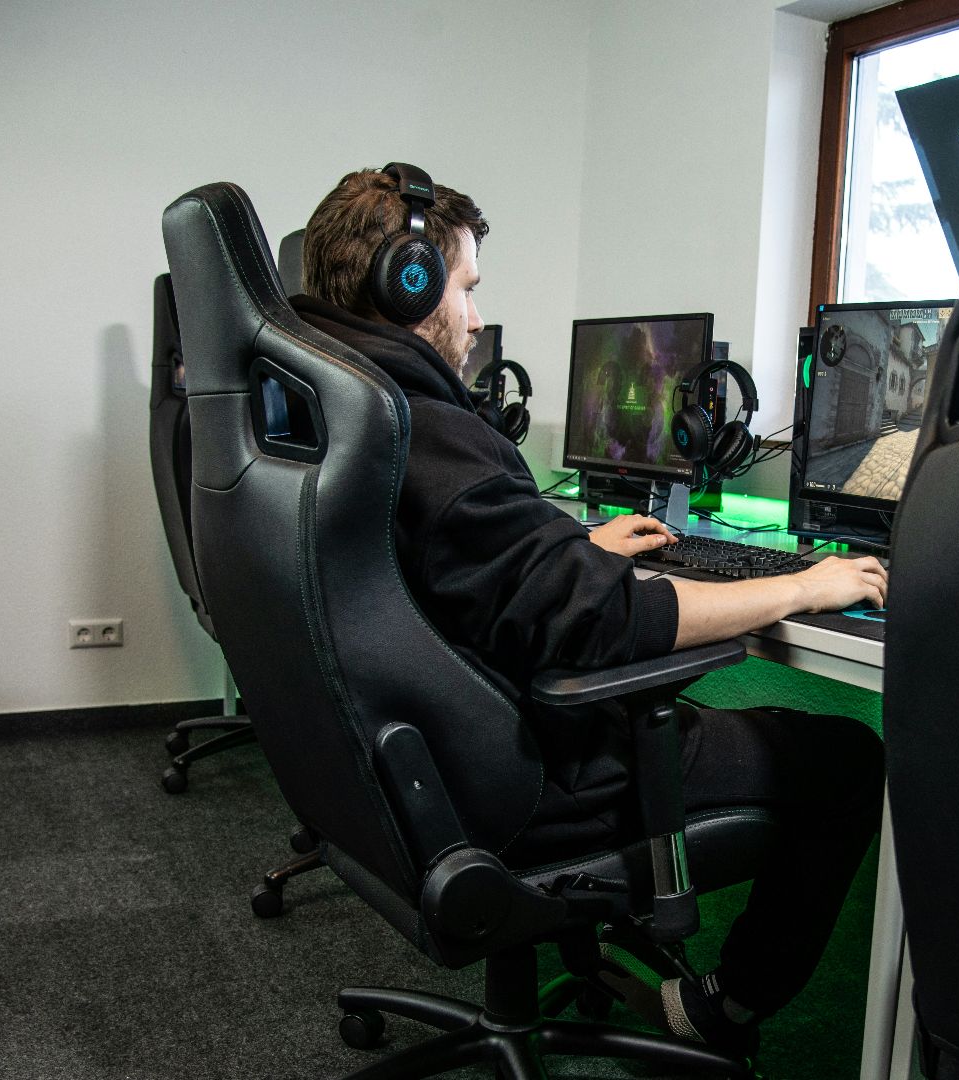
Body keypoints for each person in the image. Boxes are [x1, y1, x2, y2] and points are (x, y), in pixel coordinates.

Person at [288, 166, 887, 1059]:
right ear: (407, 281)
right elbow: (608, 625)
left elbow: (458, 570)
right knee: (848, 755)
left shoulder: (339, 410)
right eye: (466, 285)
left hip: (411, 757)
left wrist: (571, 553)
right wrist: (806, 586)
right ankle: (729, 1004)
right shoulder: (423, 427)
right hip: (526, 772)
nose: (478, 316)